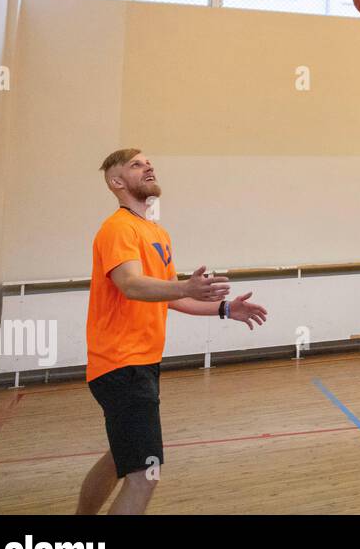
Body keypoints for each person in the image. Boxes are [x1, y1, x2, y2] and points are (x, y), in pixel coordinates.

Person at [78, 149, 268, 515]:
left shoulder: (156, 232)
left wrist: (225, 308)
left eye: (149, 162)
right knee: (144, 475)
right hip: (121, 365)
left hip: (141, 364)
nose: (148, 166)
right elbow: (131, 285)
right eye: (136, 164)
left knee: (120, 457)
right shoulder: (118, 228)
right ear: (116, 183)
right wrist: (183, 287)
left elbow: (166, 297)